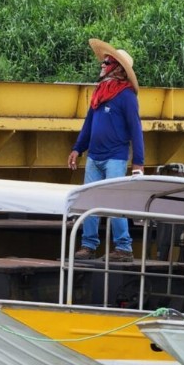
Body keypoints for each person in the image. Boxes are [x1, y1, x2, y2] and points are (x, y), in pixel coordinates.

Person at [68, 38, 145, 262]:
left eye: (107, 62)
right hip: (94, 156)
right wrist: (77, 148)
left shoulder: (127, 96)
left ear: (118, 68)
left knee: (114, 201)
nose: (102, 65)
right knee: (89, 200)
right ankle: (88, 245)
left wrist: (138, 162)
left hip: (115, 157)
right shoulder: (100, 93)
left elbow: (136, 130)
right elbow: (89, 123)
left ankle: (124, 247)